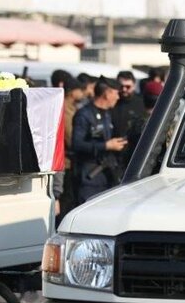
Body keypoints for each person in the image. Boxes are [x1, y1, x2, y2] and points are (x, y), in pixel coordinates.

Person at [71, 78, 128, 204]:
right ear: (107, 94)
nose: (118, 97)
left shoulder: (107, 114)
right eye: (116, 93)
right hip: (89, 177)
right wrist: (106, 146)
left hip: (107, 176)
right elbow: (77, 144)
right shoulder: (84, 114)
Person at [51, 70, 85, 220]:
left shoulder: (73, 109)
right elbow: (71, 139)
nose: (83, 92)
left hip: (70, 164)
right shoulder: (65, 110)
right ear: (72, 92)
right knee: (66, 204)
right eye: (80, 89)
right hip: (65, 164)